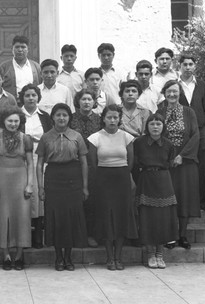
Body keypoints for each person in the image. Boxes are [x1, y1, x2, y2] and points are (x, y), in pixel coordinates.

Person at [37, 103, 88, 271]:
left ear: (69, 118)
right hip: (53, 178)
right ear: (52, 117)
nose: (61, 118)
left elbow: (83, 162)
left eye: (65, 115)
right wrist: (41, 187)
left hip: (73, 178)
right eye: (58, 115)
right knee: (56, 218)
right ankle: (58, 257)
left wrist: (85, 186)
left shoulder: (76, 136)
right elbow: (39, 164)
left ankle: (68, 257)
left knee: (71, 218)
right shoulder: (46, 137)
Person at [87, 104, 138, 271]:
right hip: (103, 180)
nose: (112, 120)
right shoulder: (95, 138)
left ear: (119, 119)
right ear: (103, 119)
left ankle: (119, 257)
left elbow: (130, 161)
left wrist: (123, 175)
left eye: (116, 117)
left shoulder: (127, 137)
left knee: (121, 216)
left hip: (122, 179)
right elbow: (93, 163)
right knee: (107, 218)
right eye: (109, 117)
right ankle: (109, 257)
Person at [157, 80, 200, 250]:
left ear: (180, 93)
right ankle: (170, 236)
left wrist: (182, 156)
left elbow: (196, 135)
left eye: (175, 91)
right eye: (169, 92)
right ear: (164, 93)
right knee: (168, 200)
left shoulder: (189, 112)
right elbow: (156, 134)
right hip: (166, 164)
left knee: (185, 198)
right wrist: (167, 158)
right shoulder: (160, 112)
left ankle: (183, 235)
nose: (172, 95)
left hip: (186, 163)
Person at [0, 106, 33, 270]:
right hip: (1, 179)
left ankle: (20, 254)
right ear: (3, 122)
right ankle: (6, 254)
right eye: (10, 121)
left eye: (16, 121)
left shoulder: (26, 139)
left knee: (21, 215)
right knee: (3, 215)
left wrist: (30, 184)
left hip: (20, 179)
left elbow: (30, 162)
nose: (13, 124)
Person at [134, 114, 178, 269]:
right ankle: (150, 254)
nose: (155, 126)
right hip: (146, 180)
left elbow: (171, 163)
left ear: (163, 126)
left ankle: (160, 254)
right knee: (148, 217)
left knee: (163, 218)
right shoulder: (139, 143)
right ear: (147, 126)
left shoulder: (168, 144)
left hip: (164, 180)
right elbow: (134, 163)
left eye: (158, 123)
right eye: (152, 123)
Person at [18, 84, 53, 249]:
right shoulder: (17, 115)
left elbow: (49, 137)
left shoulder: (45, 117)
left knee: (39, 196)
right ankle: (23, 237)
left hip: (41, 159)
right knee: (24, 195)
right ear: (22, 98)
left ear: (38, 97)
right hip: (22, 160)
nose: (31, 98)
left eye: (33, 95)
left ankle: (38, 235)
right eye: (27, 95)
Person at [178, 53, 205, 212]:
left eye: (191, 64)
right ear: (179, 66)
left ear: (195, 66)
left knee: (202, 165)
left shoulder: (202, 85)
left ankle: (201, 201)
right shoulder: (175, 86)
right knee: (183, 165)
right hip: (181, 131)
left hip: (200, 130)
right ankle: (182, 200)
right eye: (185, 64)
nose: (188, 67)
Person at [70, 89, 101, 248]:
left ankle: (90, 234)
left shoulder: (100, 119)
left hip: (94, 164)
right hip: (74, 164)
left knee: (92, 201)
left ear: (94, 102)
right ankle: (76, 234)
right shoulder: (71, 119)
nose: (86, 102)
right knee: (76, 200)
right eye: (83, 99)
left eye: (90, 99)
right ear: (78, 101)